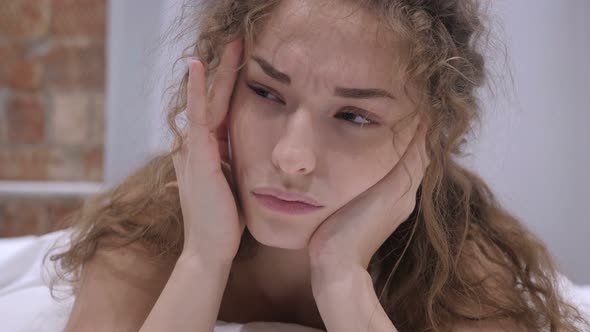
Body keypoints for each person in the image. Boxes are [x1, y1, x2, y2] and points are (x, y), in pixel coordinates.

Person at [48, 0, 589, 331]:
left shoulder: (460, 264)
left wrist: (344, 281)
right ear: (220, 86)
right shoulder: (147, 230)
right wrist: (201, 258)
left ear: (433, 131)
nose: (292, 157)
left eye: (354, 116)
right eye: (265, 91)